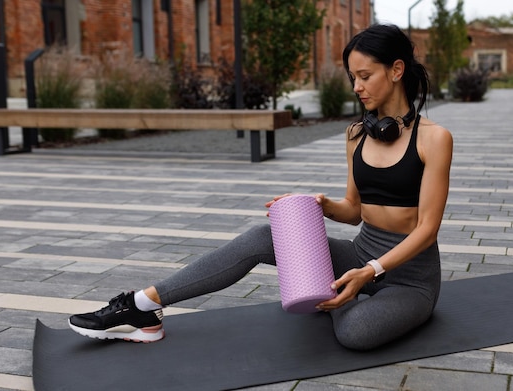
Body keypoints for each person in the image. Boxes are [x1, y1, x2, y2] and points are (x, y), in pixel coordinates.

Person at [68, 23, 453, 351]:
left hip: (409, 279)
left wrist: (369, 273)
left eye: (365, 76)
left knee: (355, 333)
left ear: (397, 70)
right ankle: (142, 305)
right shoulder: (357, 135)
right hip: (360, 253)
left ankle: (338, 297)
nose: (356, 87)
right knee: (261, 236)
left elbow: (427, 229)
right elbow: (354, 212)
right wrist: (318, 204)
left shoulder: (434, 139)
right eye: (352, 78)